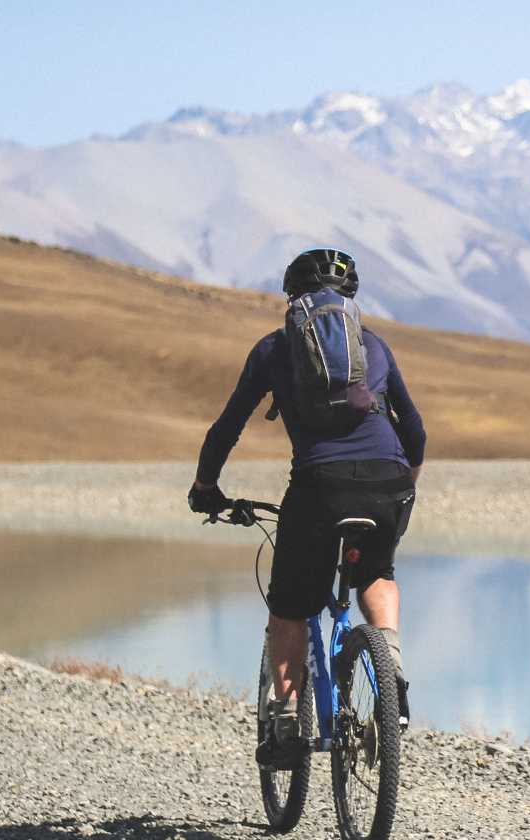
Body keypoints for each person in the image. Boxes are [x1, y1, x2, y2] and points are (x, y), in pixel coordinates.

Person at [187, 248, 426, 770]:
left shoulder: (275, 348)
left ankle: (289, 722)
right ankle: (393, 681)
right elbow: (415, 431)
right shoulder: (375, 346)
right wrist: (402, 487)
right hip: (388, 485)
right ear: (349, 298)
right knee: (377, 575)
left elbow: (227, 426)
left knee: (290, 607)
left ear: (292, 295)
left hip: (319, 488)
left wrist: (206, 485)